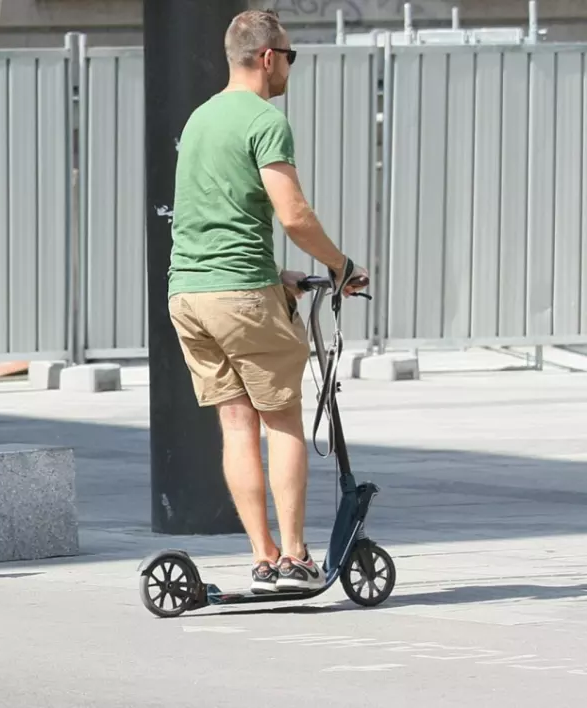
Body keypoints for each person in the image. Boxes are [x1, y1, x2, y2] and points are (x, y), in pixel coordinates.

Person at [167, 9, 369, 593]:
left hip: (189, 293)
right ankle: (297, 557)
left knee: (236, 424)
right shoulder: (265, 119)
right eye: (289, 56)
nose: (289, 67)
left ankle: (262, 556)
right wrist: (342, 267)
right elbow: (294, 215)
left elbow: (212, 217)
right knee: (282, 419)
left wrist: (273, 270)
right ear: (266, 58)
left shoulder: (200, 119)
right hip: (240, 296)